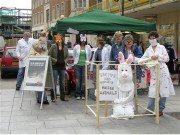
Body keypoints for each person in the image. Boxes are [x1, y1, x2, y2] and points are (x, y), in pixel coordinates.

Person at [136, 31, 175, 116]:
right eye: (150, 38)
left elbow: (167, 59)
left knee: (163, 91)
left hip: (163, 71)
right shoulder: (148, 49)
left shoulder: (161, 47)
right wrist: (143, 63)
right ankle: (150, 109)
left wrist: (158, 57)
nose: (152, 39)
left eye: (154, 38)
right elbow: (143, 58)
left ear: (157, 38)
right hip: (154, 72)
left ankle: (160, 109)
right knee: (152, 91)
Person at [48, 34, 69, 102]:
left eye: (60, 39)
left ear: (62, 39)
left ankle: (62, 97)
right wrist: (55, 60)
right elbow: (49, 55)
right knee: (54, 82)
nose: (59, 40)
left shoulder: (65, 47)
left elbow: (67, 56)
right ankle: (53, 98)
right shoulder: (53, 47)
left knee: (62, 82)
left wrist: (65, 61)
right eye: (58, 39)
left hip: (62, 67)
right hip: (55, 67)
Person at [29, 37, 49, 104]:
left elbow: (46, 55)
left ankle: (41, 98)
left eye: (44, 43)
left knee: (41, 84)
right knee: (38, 83)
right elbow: (31, 56)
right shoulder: (34, 47)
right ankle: (42, 99)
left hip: (43, 68)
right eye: (42, 42)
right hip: (35, 68)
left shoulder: (45, 49)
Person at [73, 34, 91, 100]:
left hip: (85, 65)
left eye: (84, 39)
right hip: (77, 65)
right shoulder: (76, 47)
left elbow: (89, 55)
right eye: (82, 39)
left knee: (84, 80)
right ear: (80, 39)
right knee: (78, 80)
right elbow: (74, 55)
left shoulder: (88, 47)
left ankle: (83, 94)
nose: (83, 41)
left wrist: (87, 62)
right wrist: (76, 62)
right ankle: (77, 94)